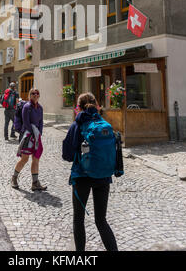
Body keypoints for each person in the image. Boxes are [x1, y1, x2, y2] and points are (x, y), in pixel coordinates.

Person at [62, 92, 118, 252]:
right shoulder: (104, 123)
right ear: (96, 105)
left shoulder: (77, 125)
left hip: (82, 177)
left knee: (78, 220)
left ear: (78, 107)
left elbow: (66, 155)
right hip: (103, 176)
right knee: (101, 221)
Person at [11, 88, 47, 191]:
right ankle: (14, 178)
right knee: (24, 159)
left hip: (36, 136)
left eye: (37, 93)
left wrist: (39, 133)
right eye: (33, 93)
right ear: (29, 95)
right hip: (26, 135)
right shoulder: (27, 107)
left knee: (36, 159)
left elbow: (41, 122)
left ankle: (35, 183)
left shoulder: (40, 108)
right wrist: (33, 132)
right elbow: (26, 122)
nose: (35, 95)